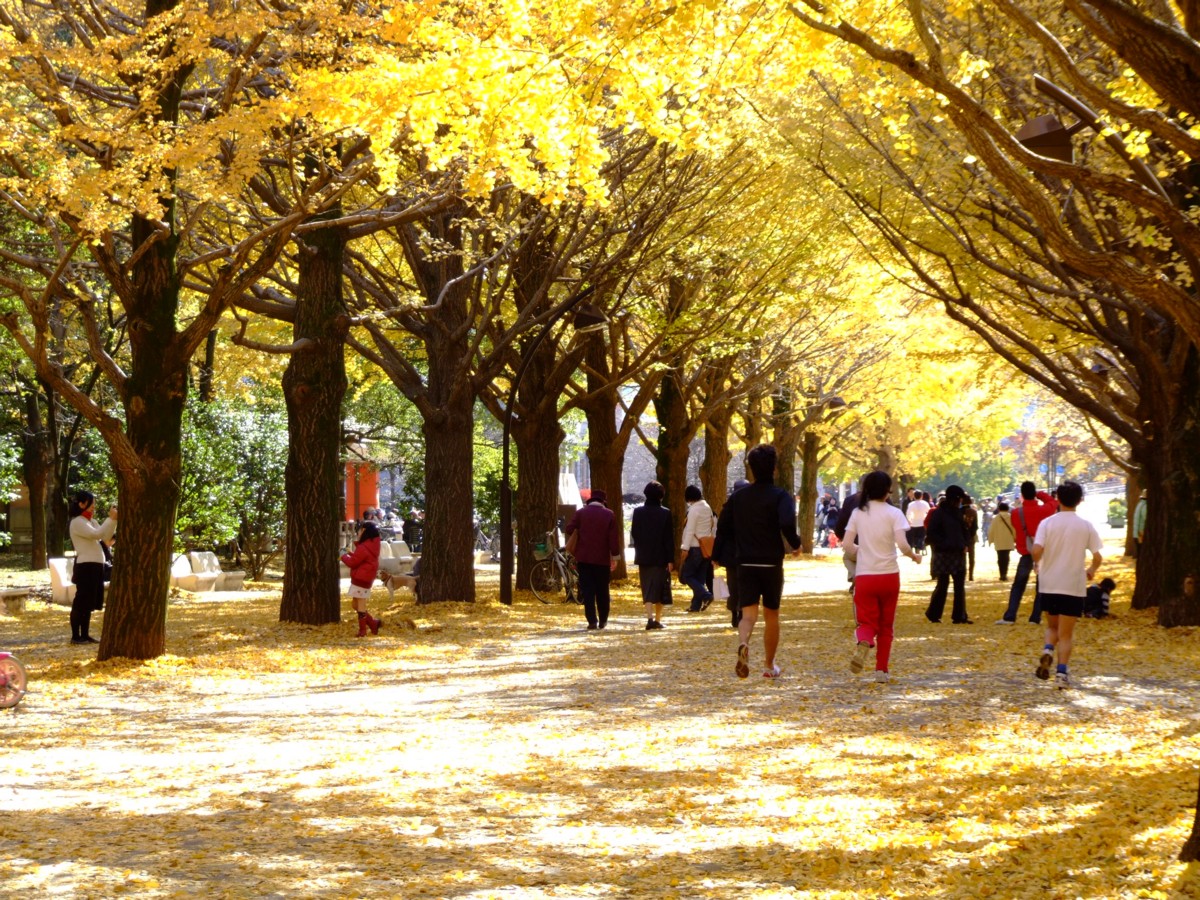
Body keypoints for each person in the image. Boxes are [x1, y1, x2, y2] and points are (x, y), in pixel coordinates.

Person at [715, 445, 802, 679]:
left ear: (750, 469)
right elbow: (786, 523)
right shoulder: (781, 496)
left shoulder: (738, 497)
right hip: (771, 563)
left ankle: (744, 643)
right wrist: (795, 544)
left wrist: (717, 555)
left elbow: (723, 527)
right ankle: (768, 665)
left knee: (748, 615)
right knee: (771, 614)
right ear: (774, 469)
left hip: (745, 563)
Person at [843, 471, 922, 684]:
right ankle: (881, 670)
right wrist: (913, 555)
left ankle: (865, 640)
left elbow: (847, 545)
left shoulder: (858, 513)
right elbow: (903, 544)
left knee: (866, 622)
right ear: (888, 491)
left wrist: (862, 551)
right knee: (886, 625)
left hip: (865, 576)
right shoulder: (894, 513)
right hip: (889, 575)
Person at [1031, 481, 1103, 688]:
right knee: (1066, 634)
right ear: (1080, 500)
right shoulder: (1085, 525)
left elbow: (1036, 550)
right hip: (1073, 583)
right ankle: (1061, 675)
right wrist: (1090, 571)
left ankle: (1047, 650)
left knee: (1052, 627)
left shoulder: (1047, 523)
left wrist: (1038, 563)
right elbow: (1097, 557)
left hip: (1049, 582)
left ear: (1058, 499)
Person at [997, 482, 1058, 624]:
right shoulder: (1045, 510)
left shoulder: (1016, 513)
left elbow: (1017, 529)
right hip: (1043, 551)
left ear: (1022, 495)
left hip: (1026, 552)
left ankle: (1010, 615)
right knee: (1041, 586)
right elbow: (1053, 502)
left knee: (1018, 585)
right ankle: (1035, 617)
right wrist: (1039, 493)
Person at [67, 491, 118, 645]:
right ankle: (76, 636)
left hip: (96, 565)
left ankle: (85, 635)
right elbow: (96, 535)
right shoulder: (77, 522)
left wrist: (113, 521)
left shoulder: (92, 522)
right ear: (82, 504)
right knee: (81, 602)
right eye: (91, 502)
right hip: (85, 566)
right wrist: (110, 519)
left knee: (89, 603)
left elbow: (106, 536)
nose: (94, 506)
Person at [565, 489, 620, 630]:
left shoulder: (581, 513)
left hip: (584, 558)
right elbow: (613, 539)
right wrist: (615, 556)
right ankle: (603, 620)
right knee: (602, 590)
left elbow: (569, 528)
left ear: (590, 500)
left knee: (588, 590)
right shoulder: (609, 515)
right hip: (602, 560)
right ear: (603, 502)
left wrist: (580, 532)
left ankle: (591, 621)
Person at [924, 485, 972, 624]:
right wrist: (946, 543)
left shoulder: (957, 512)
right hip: (944, 553)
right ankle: (935, 613)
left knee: (957, 585)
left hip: (956, 552)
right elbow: (932, 533)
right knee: (943, 584)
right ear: (956, 499)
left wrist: (965, 544)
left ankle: (958, 615)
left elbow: (964, 531)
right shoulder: (940, 513)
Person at [630, 481, 674, 630]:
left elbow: (634, 533)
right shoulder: (665, 513)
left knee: (647, 586)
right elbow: (669, 538)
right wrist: (670, 559)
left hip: (644, 555)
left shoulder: (638, 512)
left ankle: (649, 618)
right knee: (661, 587)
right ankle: (657, 619)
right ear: (661, 496)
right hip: (661, 556)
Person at [713, 479, 750, 629]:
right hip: (748, 552)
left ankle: (735, 612)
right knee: (745, 584)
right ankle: (741, 611)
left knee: (733, 584)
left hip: (731, 554)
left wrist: (715, 555)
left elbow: (720, 534)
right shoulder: (752, 509)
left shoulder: (727, 509)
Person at [341, 522, 382, 636]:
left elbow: (352, 562)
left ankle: (363, 630)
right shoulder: (371, 546)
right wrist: (350, 553)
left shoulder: (363, 547)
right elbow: (361, 559)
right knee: (356, 604)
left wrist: (342, 555)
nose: (358, 533)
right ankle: (373, 623)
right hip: (365, 577)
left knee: (360, 604)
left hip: (361, 578)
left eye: (359, 531)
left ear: (364, 531)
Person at [680, 484, 716, 612]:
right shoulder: (707, 507)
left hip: (695, 546)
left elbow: (690, 530)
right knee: (700, 578)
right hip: (706, 548)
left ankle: (706, 595)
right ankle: (695, 606)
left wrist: (685, 548)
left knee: (687, 575)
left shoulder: (694, 510)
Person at [988, 501, 1017, 581]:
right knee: (1006, 557)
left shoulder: (996, 518)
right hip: (1008, 540)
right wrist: (1015, 538)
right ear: (1007, 509)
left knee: (1000, 557)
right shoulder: (1011, 517)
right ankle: (1005, 573)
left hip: (999, 540)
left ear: (999, 509)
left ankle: (1002, 574)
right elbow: (1014, 528)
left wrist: (990, 540)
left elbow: (991, 530)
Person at [961, 495, 979, 581]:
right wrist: (971, 535)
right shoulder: (973, 512)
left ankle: (962, 574)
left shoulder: (959, 511)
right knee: (971, 557)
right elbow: (975, 526)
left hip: (960, 538)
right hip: (971, 537)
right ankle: (971, 575)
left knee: (962, 557)